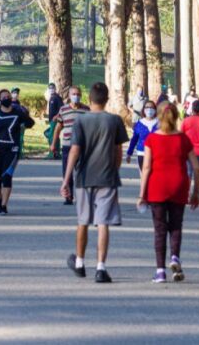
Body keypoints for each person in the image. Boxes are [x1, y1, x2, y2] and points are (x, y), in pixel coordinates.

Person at [62, 82, 129, 283]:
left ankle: (80, 262)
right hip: (107, 177)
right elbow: (118, 151)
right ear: (106, 99)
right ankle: (101, 267)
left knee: (83, 220)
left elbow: (74, 150)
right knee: (103, 222)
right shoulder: (114, 121)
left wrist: (66, 180)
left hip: (84, 177)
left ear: (89, 100)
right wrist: (114, 170)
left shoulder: (81, 122)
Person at [137, 102, 199, 283]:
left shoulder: (151, 139)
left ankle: (160, 271)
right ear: (176, 116)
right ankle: (174, 257)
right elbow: (196, 168)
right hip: (178, 185)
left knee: (159, 230)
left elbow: (147, 167)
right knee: (175, 226)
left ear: (158, 116)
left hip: (157, 187)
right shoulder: (183, 139)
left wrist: (142, 194)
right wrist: (196, 192)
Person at [0, 89, 36, 215]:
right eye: (4, 97)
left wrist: (24, 119)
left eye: (8, 96)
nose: (7, 98)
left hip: (12, 149)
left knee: (7, 176)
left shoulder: (18, 113)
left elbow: (30, 123)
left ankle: (3, 205)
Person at [51, 86, 90, 205]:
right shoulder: (63, 110)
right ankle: (68, 196)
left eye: (78, 94)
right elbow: (58, 128)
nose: (76, 96)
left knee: (82, 172)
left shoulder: (86, 110)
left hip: (82, 146)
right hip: (67, 145)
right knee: (66, 172)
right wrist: (53, 143)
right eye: (73, 94)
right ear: (69, 96)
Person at [180, 100, 199, 175]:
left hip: (188, 151)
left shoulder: (185, 121)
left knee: (188, 173)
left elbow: (181, 137)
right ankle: (197, 187)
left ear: (192, 108)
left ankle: (188, 187)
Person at [127, 100, 159, 170]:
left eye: (151, 107)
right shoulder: (139, 123)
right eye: (147, 107)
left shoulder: (160, 123)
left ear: (155, 109)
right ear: (144, 110)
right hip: (142, 153)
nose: (149, 109)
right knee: (145, 176)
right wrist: (129, 153)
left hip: (157, 154)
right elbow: (134, 139)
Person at [46, 83, 64, 159]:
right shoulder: (51, 97)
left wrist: (56, 116)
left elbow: (62, 108)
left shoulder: (57, 97)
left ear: (55, 88)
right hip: (51, 120)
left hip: (56, 120)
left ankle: (52, 153)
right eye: (50, 88)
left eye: (52, 88)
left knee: (51, 136)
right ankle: (56, 153)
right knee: (53, 135)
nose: (51, 89)